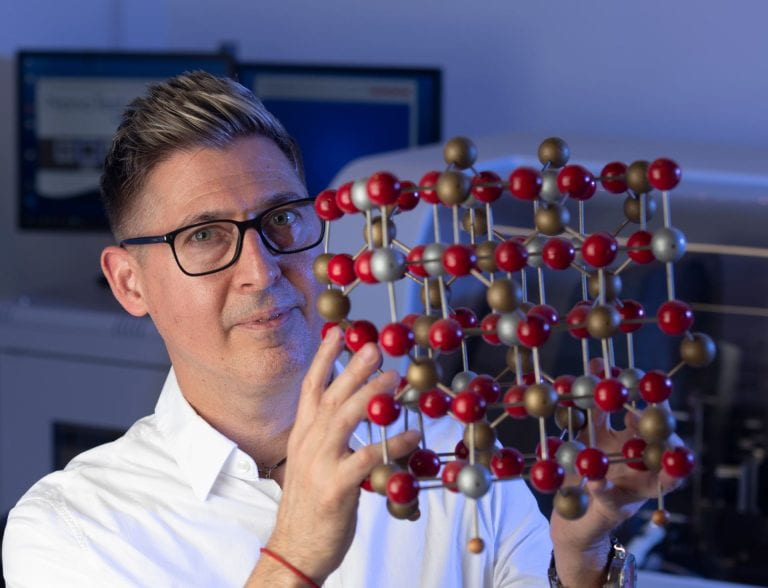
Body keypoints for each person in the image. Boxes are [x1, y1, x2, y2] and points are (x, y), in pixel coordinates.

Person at [2, 72, 682, 587]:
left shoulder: (449, 451)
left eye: (281, 220)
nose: (261, 271)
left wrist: (581, 555)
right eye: (204, 237)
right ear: (129, 283)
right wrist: (293, 555)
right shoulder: (69, 531)